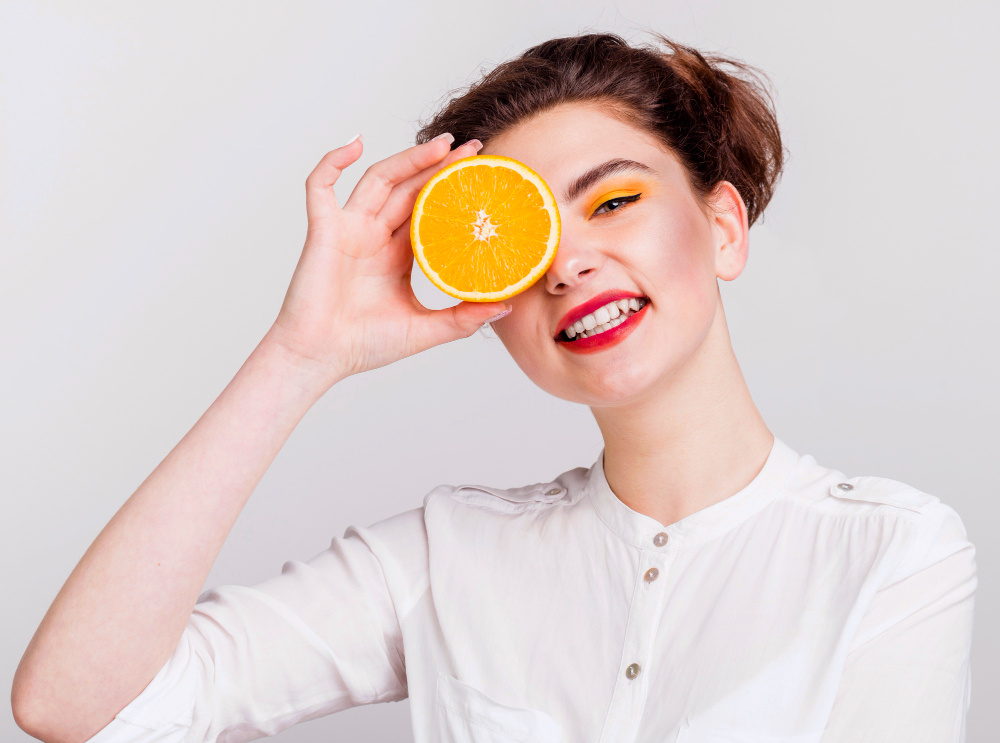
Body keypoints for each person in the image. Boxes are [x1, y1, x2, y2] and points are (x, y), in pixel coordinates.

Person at [13, 32, 976, 743]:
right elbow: (76, 707)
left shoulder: (890, 554)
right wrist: (302, 353)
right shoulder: (450, 559)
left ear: (723, 227)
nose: (568, 265)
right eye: (521, 244)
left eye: (615, 200)